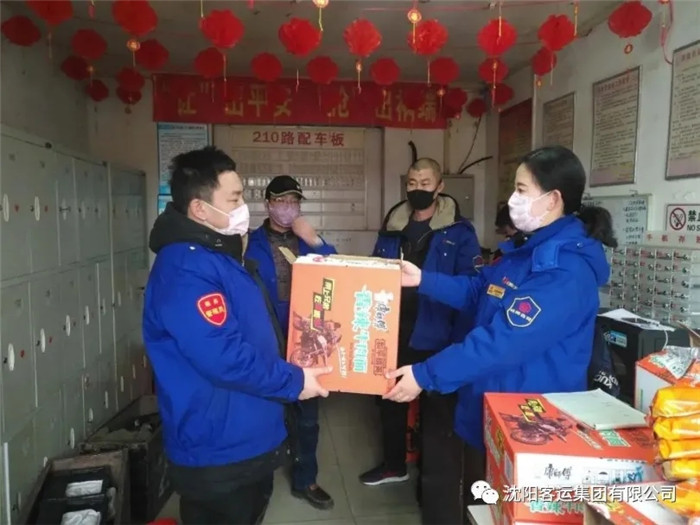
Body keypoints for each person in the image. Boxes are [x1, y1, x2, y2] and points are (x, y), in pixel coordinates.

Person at [383, 146, 616, 505]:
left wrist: (425, 374)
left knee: (505, 509)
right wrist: (423, 280)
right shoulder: (524, 252)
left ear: (553, 199)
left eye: (521, 190)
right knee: (479, 505)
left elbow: (501, 342)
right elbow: (480, 290)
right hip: (492, 412)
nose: (512, 199)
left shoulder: (563, 271)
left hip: (529, 427)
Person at [143, 147, 331, 525]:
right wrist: (293, 381)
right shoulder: (187, 268)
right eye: (234, 199)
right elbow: (223, 357)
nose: (243, 207)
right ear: (199, 209)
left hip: (244, 434)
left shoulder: (216, 254)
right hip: (219, 448)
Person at [359, 157, 482, 487]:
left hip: (437, 330)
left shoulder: (459, 231)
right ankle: (393, 465)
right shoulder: (393, 225)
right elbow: (375, 267)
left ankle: (434, 479)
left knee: (436, 406)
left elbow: (472, 284)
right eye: (412, 184)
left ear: (440, 187)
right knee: (389, 397)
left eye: (425, 184)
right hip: (392, 327)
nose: (418, 190)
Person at [246, 175, 337, 510]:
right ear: (268, 204)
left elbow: (337, 273)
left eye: (293, 201)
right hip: (265, 336)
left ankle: (305, 480)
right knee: (263, 410)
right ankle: (258, 482)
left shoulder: (307, 240)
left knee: (307, 416)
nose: (287, 207)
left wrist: (314, 240)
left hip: (305, 337)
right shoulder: (250, 242)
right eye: (280, 201)